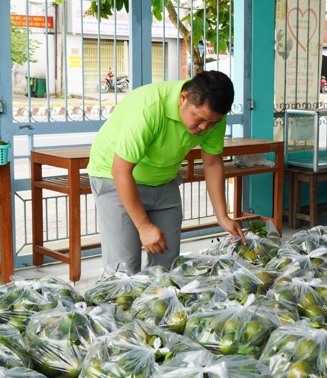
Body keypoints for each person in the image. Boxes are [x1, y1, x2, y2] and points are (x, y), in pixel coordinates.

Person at [87, 70, 245, 274]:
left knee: (166, 266)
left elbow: (212, 163)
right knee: (124, 270)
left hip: (163, 179)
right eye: (199, 119)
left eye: (212, 122)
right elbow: (121, 170)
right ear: (182, 99)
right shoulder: (150, 108)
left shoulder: (213, 116)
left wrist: (222, 216)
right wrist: (144, 227)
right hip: (114, 176)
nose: (204, 127)